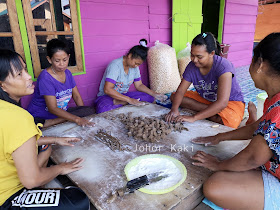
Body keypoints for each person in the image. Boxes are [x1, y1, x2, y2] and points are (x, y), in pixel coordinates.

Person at [191, 33, 280, 210]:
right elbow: (259, 126)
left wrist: (217, 164)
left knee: (215, 186)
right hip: (270, 168)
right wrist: (221, 137)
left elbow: (254, 157)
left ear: (260, 64)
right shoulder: (274, 98)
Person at [0, 49, 89, 209]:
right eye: (19, 74)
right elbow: (31, 180)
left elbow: (14, 142)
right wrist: (60, 168)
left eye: (25, 70)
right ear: (2, 85)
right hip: (7, 197)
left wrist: (55, 139)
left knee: (45, 146)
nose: (28, 76)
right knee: (78, 201)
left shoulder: (6, 109)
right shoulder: (18, 117)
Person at [165, 32, 245, 129]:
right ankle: (212, 111)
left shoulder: (223, 66)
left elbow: (222, 103)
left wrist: (194, 117)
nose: (194, 60)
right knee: (174, 97)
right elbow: (181, 91)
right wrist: (174, 110)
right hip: (206, 99)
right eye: (192, 55)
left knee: (229, 121)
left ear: (211, 53)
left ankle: (213, 111)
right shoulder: (192, 66)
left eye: (199, 57)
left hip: (230, 102)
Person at [28, 39, 94, 128]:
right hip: (43, 116)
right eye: (57, 61)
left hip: (61, 114)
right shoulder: (46, 78)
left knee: (89, 110)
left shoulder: (68, 73)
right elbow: (52, 108)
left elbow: (77, 96)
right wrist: (77, 119)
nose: (62, 64)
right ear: (49, 59)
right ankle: (46, 123)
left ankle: (64, 118)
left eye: (65, 60)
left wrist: (82, 113)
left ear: (69, 57)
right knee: (75, 116)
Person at [95, 39, 167, 114]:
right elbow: (108, 90)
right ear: (130, 56)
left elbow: (139, 85)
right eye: (136, 63)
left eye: (139, 64)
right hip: (107, 97)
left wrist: (154, 93)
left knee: (149, 98)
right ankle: (123, 102)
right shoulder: (115, 65)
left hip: (123, 95)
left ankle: (121, 102)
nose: (136, 66)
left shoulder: (134, 68)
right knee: (104, 110)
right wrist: (129, 100)